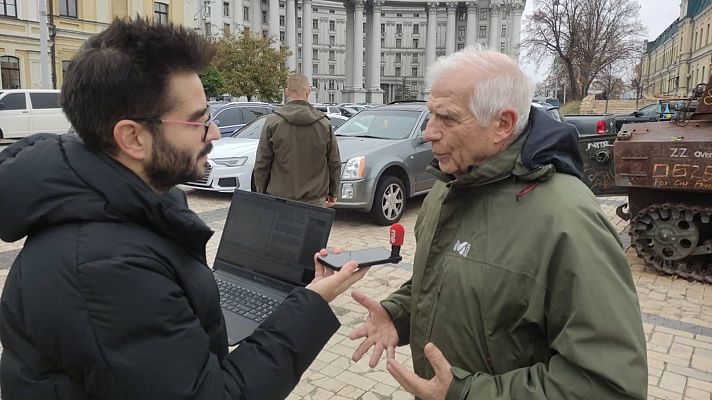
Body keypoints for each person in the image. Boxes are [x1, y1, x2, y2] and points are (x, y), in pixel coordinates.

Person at [0, 18, 367, 399]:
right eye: (198, 121)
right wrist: (311, 304)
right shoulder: (107, 268)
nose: (215, 132)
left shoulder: (123, 208)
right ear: (132, 137)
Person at [349, 46, 648, 399]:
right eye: (430, 115)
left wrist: (466, 393)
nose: (428, 132)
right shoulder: (448, 188)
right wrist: (397, 313)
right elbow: (449, 279)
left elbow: (611, 385)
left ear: (502, 124)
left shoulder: (567, 219)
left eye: (446, 118)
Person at [253, 74, 341, 207]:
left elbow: (262, 163)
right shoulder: (324, 124)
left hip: (279, 200)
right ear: (308, 92)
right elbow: (334, 162)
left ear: (286, 92)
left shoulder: (273, 122)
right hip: (315, 200)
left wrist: (261, 192)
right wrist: (333, 192)